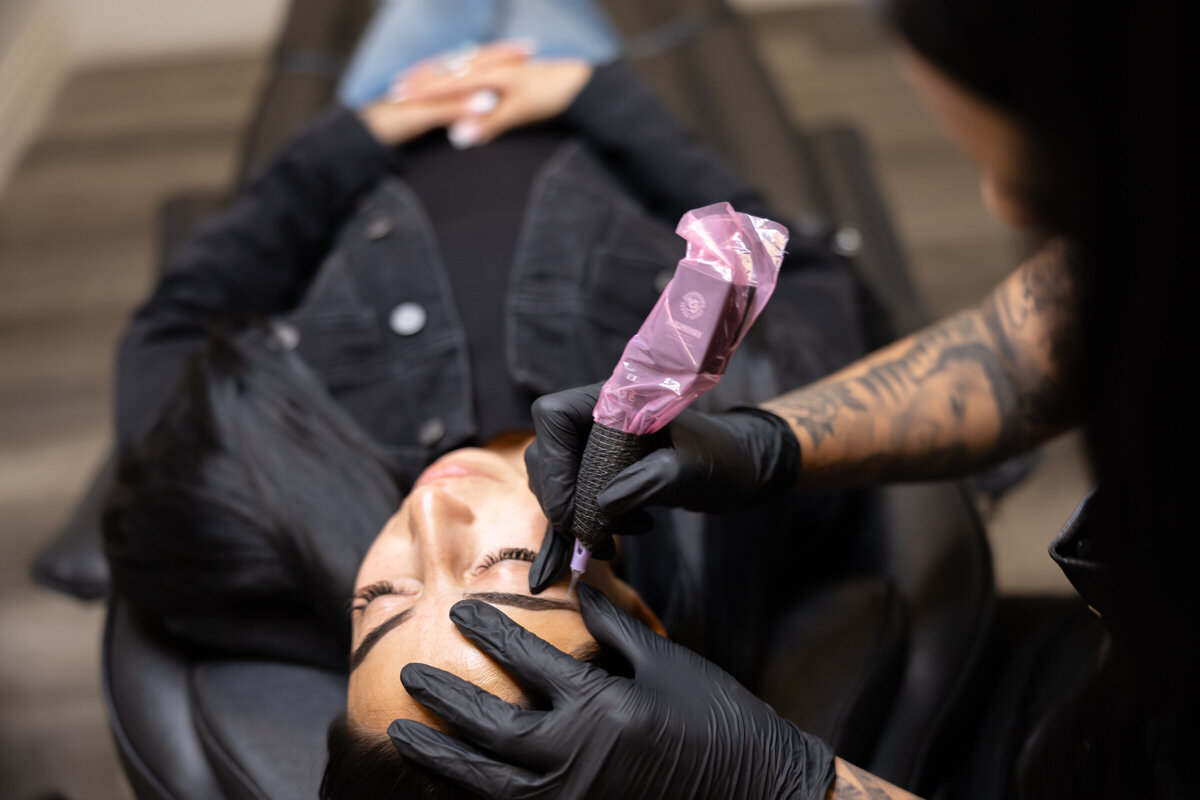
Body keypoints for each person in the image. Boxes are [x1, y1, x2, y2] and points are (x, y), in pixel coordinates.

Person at [387, 0, 1196, 798]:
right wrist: (767, 440)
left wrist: (791, 787)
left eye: (1061, 183)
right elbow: (1020, 347)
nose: (1004, 207)